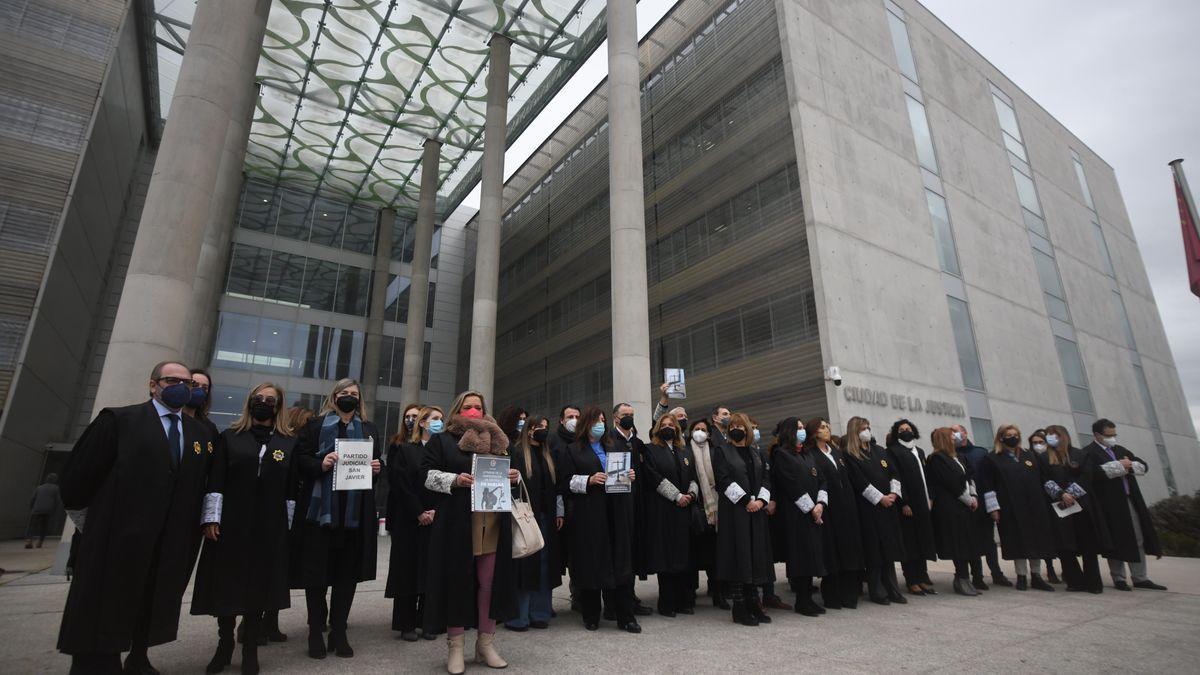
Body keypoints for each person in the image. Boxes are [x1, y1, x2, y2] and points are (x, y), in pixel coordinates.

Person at [58, 361, 215, 674]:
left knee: (148, 603)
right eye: (172, 380)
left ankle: (138, 657)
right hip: (115, 540)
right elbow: (77, 482)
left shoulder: (199, 433)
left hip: (167, 542)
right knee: (103, 610)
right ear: (153, 385)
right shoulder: (119, 420)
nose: (183, 387)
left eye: (190, 383)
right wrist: (98, 527)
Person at [193, 383, 297, 674]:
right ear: (250, 402)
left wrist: (286, 528)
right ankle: (224, 643)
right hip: (232, 526)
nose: (263, 403)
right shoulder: (230, 437)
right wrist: (211, 518)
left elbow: (291, 491)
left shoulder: (288, 442)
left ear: (278, 407)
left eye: (270, 400)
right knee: (227, 586)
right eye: (258, 398)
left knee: (258, 589)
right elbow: (216, 480)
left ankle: (250, 646)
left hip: (269, 527)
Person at [421, 391, 519, 673]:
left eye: (478, 407)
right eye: (468, 407)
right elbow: (425, 475)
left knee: (489, 584)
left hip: (492, 522)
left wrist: (514, 476)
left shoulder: (499, 441)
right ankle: (456, 645)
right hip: (457, 522)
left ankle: (485, 644)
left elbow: (510, 475)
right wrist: (455, 480)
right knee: (458, 582)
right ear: (458, 410)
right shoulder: (444, 441)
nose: (474, 411)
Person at [290, 378, 382, 659]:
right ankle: (315, 629)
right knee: (316, 575)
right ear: (334, 397)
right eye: (344, 393)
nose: (349, 397)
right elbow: (300, 460)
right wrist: (321, 463)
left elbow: (375, 465)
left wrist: (378, 467)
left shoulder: (368, 429)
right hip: (320, 515)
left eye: (354, 394)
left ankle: (339, 630)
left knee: (347, 576)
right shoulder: (315, 426)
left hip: (353, 515)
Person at [558, 405, 641, 633]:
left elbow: (626, 473)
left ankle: (626, 616)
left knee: (621, 562)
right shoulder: (573, 450)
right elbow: (564, 483)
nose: (601, 424)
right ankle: (591, 613)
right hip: (590, 514)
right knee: (593, 562)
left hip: (617, 511)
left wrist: (631, 475)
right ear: (587, 423)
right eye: (597, 420)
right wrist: (589, 480)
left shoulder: (614, 446)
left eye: (603, 420)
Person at [1083, 418, 1166, 591]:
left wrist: (1128, 465)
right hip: (1109, 504)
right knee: (1115, 538)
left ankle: (1140, 576)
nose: (1112, 438)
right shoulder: (1089, 453)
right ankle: (1119, 577)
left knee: (1138, 537)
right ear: (1097, 435)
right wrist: (1119, 466)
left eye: (1114, 435)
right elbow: (1093, 474)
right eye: (1108, 435)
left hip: (1130, 499)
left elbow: (1142, 465)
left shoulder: (1120, 450)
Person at [385, 405, 443, 641]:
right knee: (407, 571)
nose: (440, 422)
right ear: (423, 422)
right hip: (410, 520)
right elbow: (400, 485)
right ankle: (406, 623)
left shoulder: (443, 451)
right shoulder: (405, 450)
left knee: (430, 572)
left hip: (436, 518)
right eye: (435, 419)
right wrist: (419, 512)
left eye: (442, 419)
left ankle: (426, 621)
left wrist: (436, 512)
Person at [712, 412, 774, 626]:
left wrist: (761, 502)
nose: (735, 428)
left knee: (755, 556)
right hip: (735, 512)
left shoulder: (757, 453)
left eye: (740, 425)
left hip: (756, 512)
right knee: (740, 556)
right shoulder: (722, 451)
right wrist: (746, 500)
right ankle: (740, 606)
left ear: (747, 428)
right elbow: (723, 479)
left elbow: (767, 479)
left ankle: (753, 602)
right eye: (732, 425)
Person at [977, 424, 1055, 591]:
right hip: (1010, 507)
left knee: (1036, 540)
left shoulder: (1029, 455)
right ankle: (1021, 575)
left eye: (1015, 434)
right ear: (1001, 437)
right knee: (1018, 540)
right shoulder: (992, 458)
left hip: (1034, 506)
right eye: (1008, 434)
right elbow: (988, 486)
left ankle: (1036, 575)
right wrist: (993, 509)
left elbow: (1042, 479)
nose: (1013, 437)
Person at [506, 416, 564, 632]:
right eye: (539, 427)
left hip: (547, 516)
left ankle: (540, 613)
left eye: (545, 427)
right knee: (524, 563)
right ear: (529, 430)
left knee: (544, 564)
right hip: (526, 516)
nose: (543, 431)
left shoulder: (548, 454)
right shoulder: (518, 452)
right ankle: (519, 616)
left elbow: (556, 486)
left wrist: (559, 512)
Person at [841, 416, 906, 605]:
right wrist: (880, 498)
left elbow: (893, 472)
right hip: (869, 510)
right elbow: (859, 481)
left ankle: (893, 589)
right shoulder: (850, 454)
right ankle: (877, 591)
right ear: (855, 431)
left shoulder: (879, 451)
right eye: (863, 428)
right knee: (874, 552)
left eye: (868, 427)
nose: (867, 431)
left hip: (889, 508)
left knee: (889, 551)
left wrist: (893, 493)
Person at [1039, 425, 1111, 594]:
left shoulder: (1080, 454)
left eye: (1053, 435)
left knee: (1088, 544)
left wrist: (1072, 493)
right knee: (1065, 545)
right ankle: (1074, 580)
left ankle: (1093, 582)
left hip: (1082, 505)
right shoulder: (1044, 458)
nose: (1050, 438)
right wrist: (1060, 494)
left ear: (1062, 436)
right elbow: (1044, 479)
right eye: (1048, 435)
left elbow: (1087, 476)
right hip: (1060, 506)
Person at [640, 414, 698, 617]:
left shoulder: (684, 450)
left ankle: (683, 601)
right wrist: (676, 496)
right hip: (663, 510)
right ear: (657, 428)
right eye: (663, 425)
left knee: (683, 557)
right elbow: (653, 476)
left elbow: (694, 476)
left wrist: (691, 494)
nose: (667, 428)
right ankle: (666, 603)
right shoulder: (650, 450)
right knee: (667, 558)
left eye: (671, 425)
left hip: (684, 511)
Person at [769, 417, 827, 617]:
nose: (803, 431)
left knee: (812, 555)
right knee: (801, 557)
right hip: (796, 515)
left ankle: (809, 598)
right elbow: (791, 485)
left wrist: (820, 504)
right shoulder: (781, 455)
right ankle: (802, 600)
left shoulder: (807, 454)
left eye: (803, 428)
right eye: (799, 428)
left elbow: (821, 480)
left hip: (814, 513)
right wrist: (811, 509)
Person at [806, 417, 864, 609]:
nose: (827, 429)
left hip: (847, 509)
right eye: (822, 427)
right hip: (829, 510)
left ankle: (850, 594)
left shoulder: (837, 453)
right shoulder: (811, 454)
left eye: (827, 426)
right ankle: (832, 595)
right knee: (832, 552)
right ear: (814, 432)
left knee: (849, 550)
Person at [951, 423, 1011, 589]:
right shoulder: (951, 455)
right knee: (970, 543)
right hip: (964, 504)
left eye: (955, 431)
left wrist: (992, 506)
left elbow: (989, 481)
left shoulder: (980, 453)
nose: (953, 434)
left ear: (964, 433)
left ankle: (997, 573)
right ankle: (976, 577)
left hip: (982, 504)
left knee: (988, 541)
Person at [609, 402, 654, 618]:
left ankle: (631, 598)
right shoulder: (608, 440)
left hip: (637, 504)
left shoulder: (636, 443)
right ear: (615, 418)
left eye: (632, 414)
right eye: (625, 414)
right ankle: (617, 604)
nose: (629, 417)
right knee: (620, 556)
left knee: (633, 554)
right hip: (617, 507)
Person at [924, 427, 981, 596]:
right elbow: (951, 483)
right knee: (958, 543)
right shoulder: (937, 459)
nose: (955, 437)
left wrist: (973, 495)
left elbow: (970, 476)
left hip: (966, 505)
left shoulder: (960, 457)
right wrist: (968, 499)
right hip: (950, 507)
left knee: (967, 541)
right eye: (951, 435)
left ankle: (967, 578)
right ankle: (961, 577)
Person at [886, 419, 937, 596]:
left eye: (908, 428)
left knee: (923, 540)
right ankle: (912, 580)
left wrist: (930, 496)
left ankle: (922, 577)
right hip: (908, 505)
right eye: (901, 429)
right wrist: (904, 502)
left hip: (924, 503)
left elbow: (927, 477)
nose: (905, 431)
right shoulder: (893, 451)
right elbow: (896, 478)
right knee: (910, 543)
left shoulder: (919, 451)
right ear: (896, 432)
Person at [687, 418, 726, 608]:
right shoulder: (686, 451)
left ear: (709, 434)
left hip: (715, 506)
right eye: (696, 429)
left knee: (715, 554)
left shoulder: (715, 451)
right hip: (695, 506)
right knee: (694, 552)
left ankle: (717, 591)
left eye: (703, 429)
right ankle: (691, 592)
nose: (700, 432)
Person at [1028, 429, 1061, 584]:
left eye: (1041, 442)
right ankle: (1049, 569)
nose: (1038, 445)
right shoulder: (1028, 458)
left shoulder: (1054, 457)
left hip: (1056, 499)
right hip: (1038, 501)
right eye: (1035, 443)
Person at [25, 474, 60, 549]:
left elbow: (32, 499)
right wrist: (54, 511)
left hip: (36, 510)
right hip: (47, 511)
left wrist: (32, 508)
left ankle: (29, 541)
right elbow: (57, 501)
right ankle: (39, 543)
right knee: (44, 526)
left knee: (32, 526)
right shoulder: (56, 488)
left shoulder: (39, 488)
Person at [186, 369, 219, 436]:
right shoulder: (172, 419)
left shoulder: (209, 427)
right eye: (194, 385)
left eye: (204, 388)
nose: (200, 389)